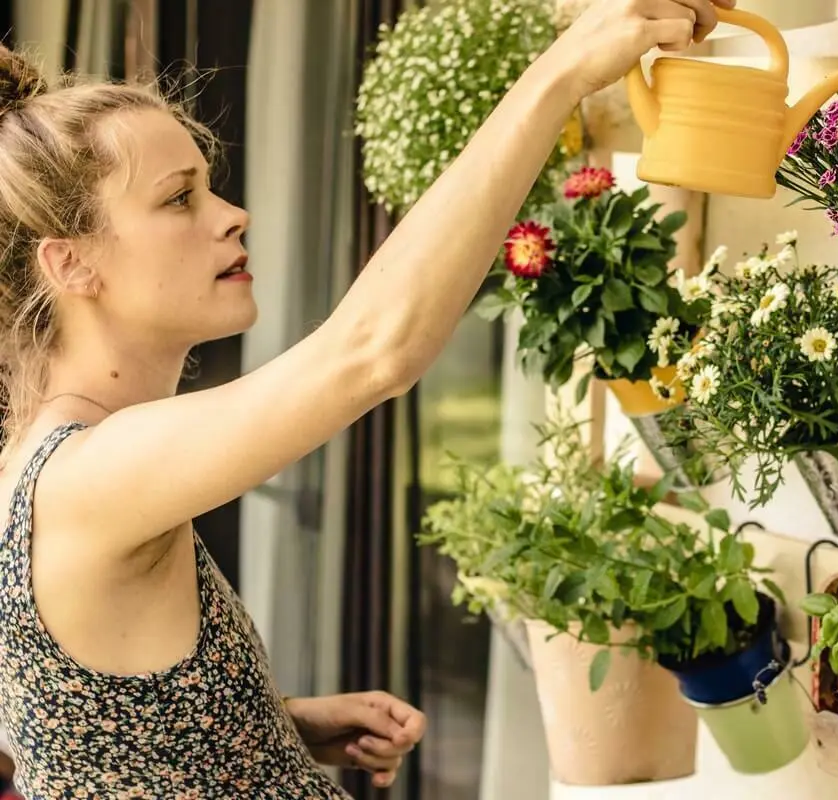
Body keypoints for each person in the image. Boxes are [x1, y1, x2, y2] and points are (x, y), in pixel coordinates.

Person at [0, 0, 736, 796]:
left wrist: (261, 725)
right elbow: (373, 351)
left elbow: (63, 728)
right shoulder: (90, 476)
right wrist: (560, 72)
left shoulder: (41, 457)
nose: (232, 214)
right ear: (70, 265)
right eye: (180, 198)